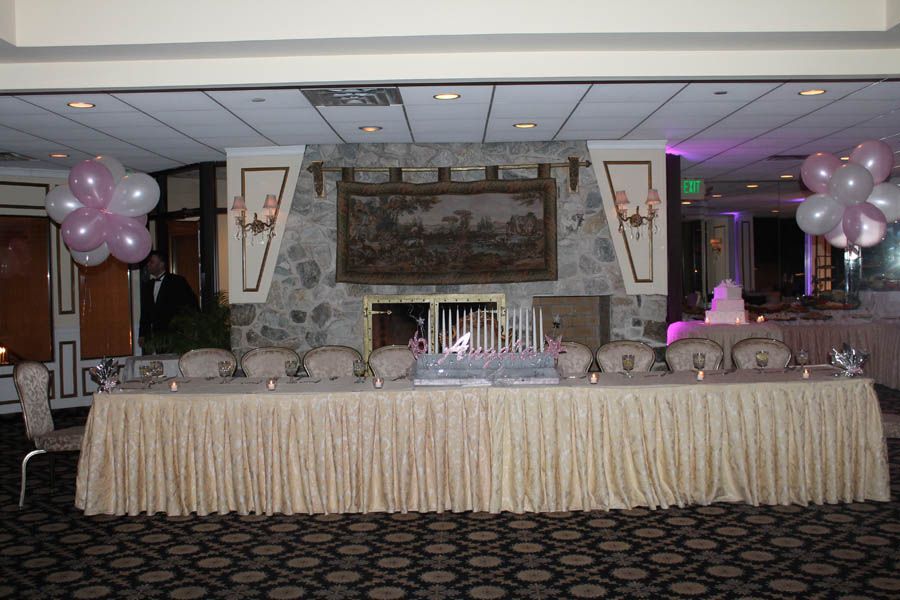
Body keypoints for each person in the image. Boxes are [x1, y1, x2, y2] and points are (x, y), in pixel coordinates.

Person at [138, 250, 199, 352]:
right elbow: (145, 312)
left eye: (151, 262)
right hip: (157, 335)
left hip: (175, 334)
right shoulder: (148, 286)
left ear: (161, 264)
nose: (148, 265)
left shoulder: (177, 281)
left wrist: (190, 329)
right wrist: (142, 334)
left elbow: (191, 305)